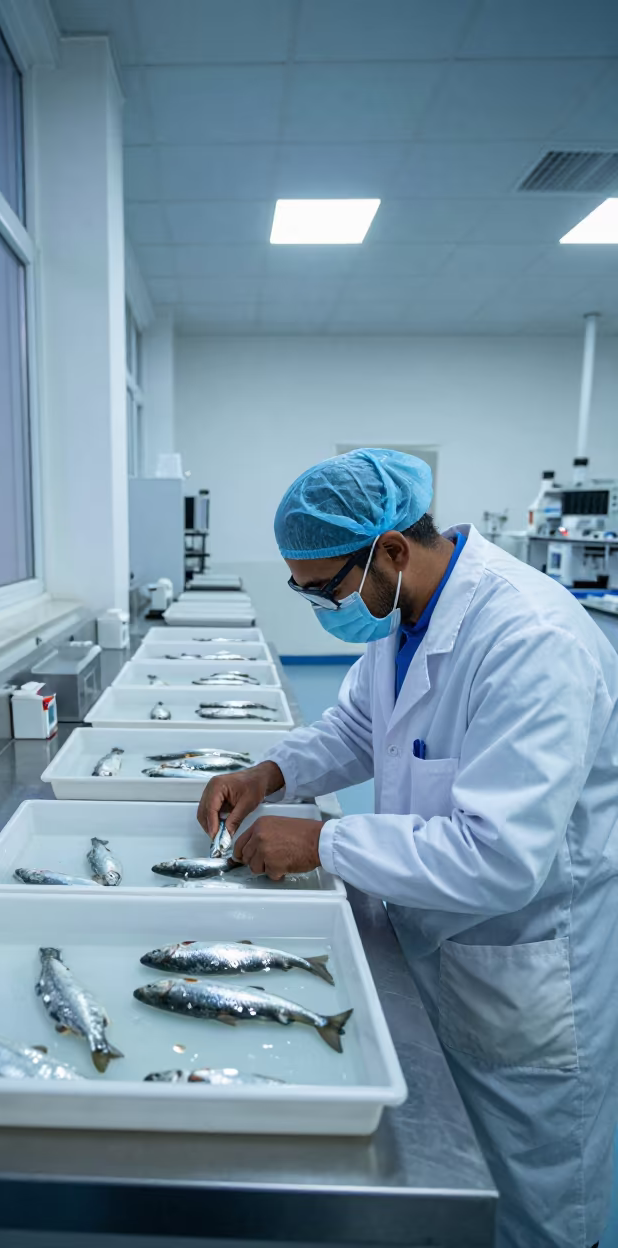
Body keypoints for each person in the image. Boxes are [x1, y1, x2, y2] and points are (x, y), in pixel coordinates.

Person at [198, 448, 618, 1248]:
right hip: (440, 941)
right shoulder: (406, 618)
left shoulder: (532, 639)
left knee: (535, 1201)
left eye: (326, 588)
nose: (322, 607)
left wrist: (327, 840)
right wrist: (272, 772)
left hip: (522, 961)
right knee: (448, 1173)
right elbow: (360, 728)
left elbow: (500, 854)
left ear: (390, 550)